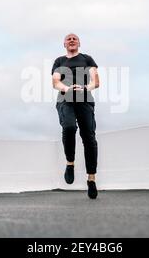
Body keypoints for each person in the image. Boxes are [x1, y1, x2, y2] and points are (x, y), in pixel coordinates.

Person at [51, 33, 100, 199]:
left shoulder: (87, 59)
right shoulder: (59, 61)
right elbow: (56, 82)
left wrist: (86, 88)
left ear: (79, 43)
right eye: (68, 38)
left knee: (89, 138)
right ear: (64, 43)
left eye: (75, 38)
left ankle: (91, 179)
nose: (72, 40)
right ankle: (70, 163)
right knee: (69, 126)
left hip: (85, 100)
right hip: (65, 99)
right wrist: (67, 89)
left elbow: (96, 81)